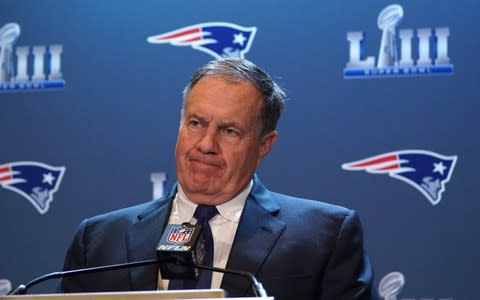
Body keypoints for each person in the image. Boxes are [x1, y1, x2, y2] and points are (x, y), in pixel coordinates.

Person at [58, 58, 376, 300]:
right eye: (196, 123)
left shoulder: (325, 237)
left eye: (229, 131)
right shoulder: (98, 241)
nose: (206, 145)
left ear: (264, 145)